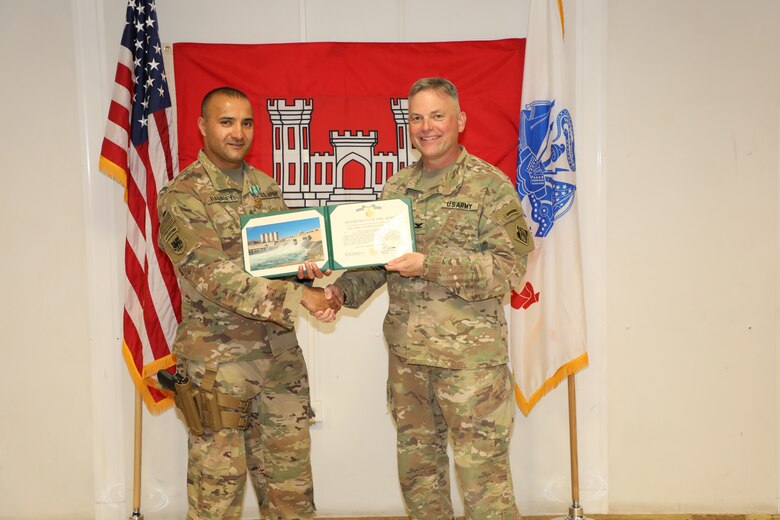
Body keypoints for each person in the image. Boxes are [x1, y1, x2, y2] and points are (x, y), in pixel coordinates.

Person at [318, 77, 534, 519]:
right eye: (416, 118)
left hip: (471, 368)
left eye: (437, 116)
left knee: (484, 488)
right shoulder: (396, 189)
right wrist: (338, 291)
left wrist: (429, 263)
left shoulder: (490, 187)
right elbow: (378, 263)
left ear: (460, 121)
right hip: (409, 362)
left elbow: (508, 270)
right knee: (420, 482)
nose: (426, 127)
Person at [157, 86, 337, 520]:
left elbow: (282, 261)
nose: (238, 133)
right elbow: (213, 276)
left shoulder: (266, 188)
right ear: (202, 127)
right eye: (226, 122)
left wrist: (306, 270)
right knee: (217, 495)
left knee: (291, 491)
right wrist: (301, 297)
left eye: (246, 122)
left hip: (279, 357)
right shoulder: (183, 195)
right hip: (219, 366)